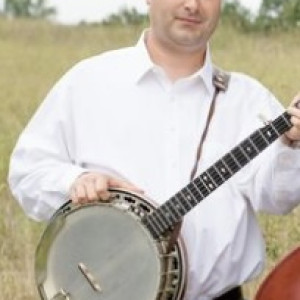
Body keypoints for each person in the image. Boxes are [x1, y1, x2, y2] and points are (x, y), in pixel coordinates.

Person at [8, 0, 300, 299]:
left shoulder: (248, 100)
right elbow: (27, 172)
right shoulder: (89, 82)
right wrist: (73, 182)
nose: (192, 5)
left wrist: (289, 144)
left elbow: (278, 199)